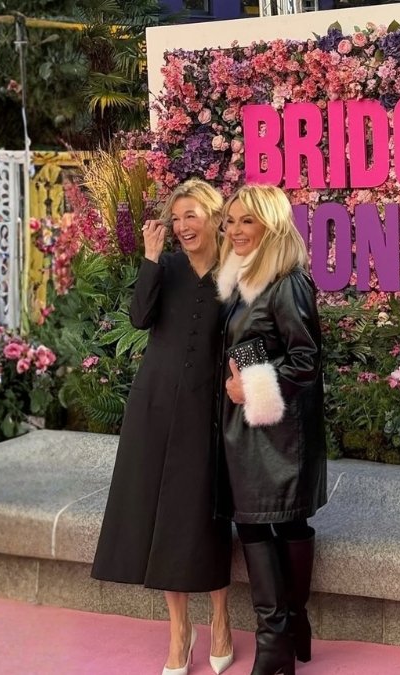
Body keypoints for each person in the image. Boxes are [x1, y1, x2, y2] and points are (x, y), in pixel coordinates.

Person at [91, 178, 235, 675]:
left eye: (191, 215)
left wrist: (252, 390)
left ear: (215, 217)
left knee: (201, 514)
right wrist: (150, 258)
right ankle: (178, 629)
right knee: (161, 516)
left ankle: (219, 616)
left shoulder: (237, 269)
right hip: (154, 405)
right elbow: (139, 317)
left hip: (211, 409)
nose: (182, 226)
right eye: (176, 219)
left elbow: (252, 334)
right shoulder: (166, 265)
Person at [217, 184, 327, 675]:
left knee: (282, 519)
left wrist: (252, 387)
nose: (235, 230)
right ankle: (286, 630)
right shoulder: (236, 278)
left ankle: (278, 640)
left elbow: (306, 358)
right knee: (254, 520)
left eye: (246, 221)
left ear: (271, 224)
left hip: (279, 428)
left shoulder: (288, 280)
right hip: (244, 425)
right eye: (231, 221)